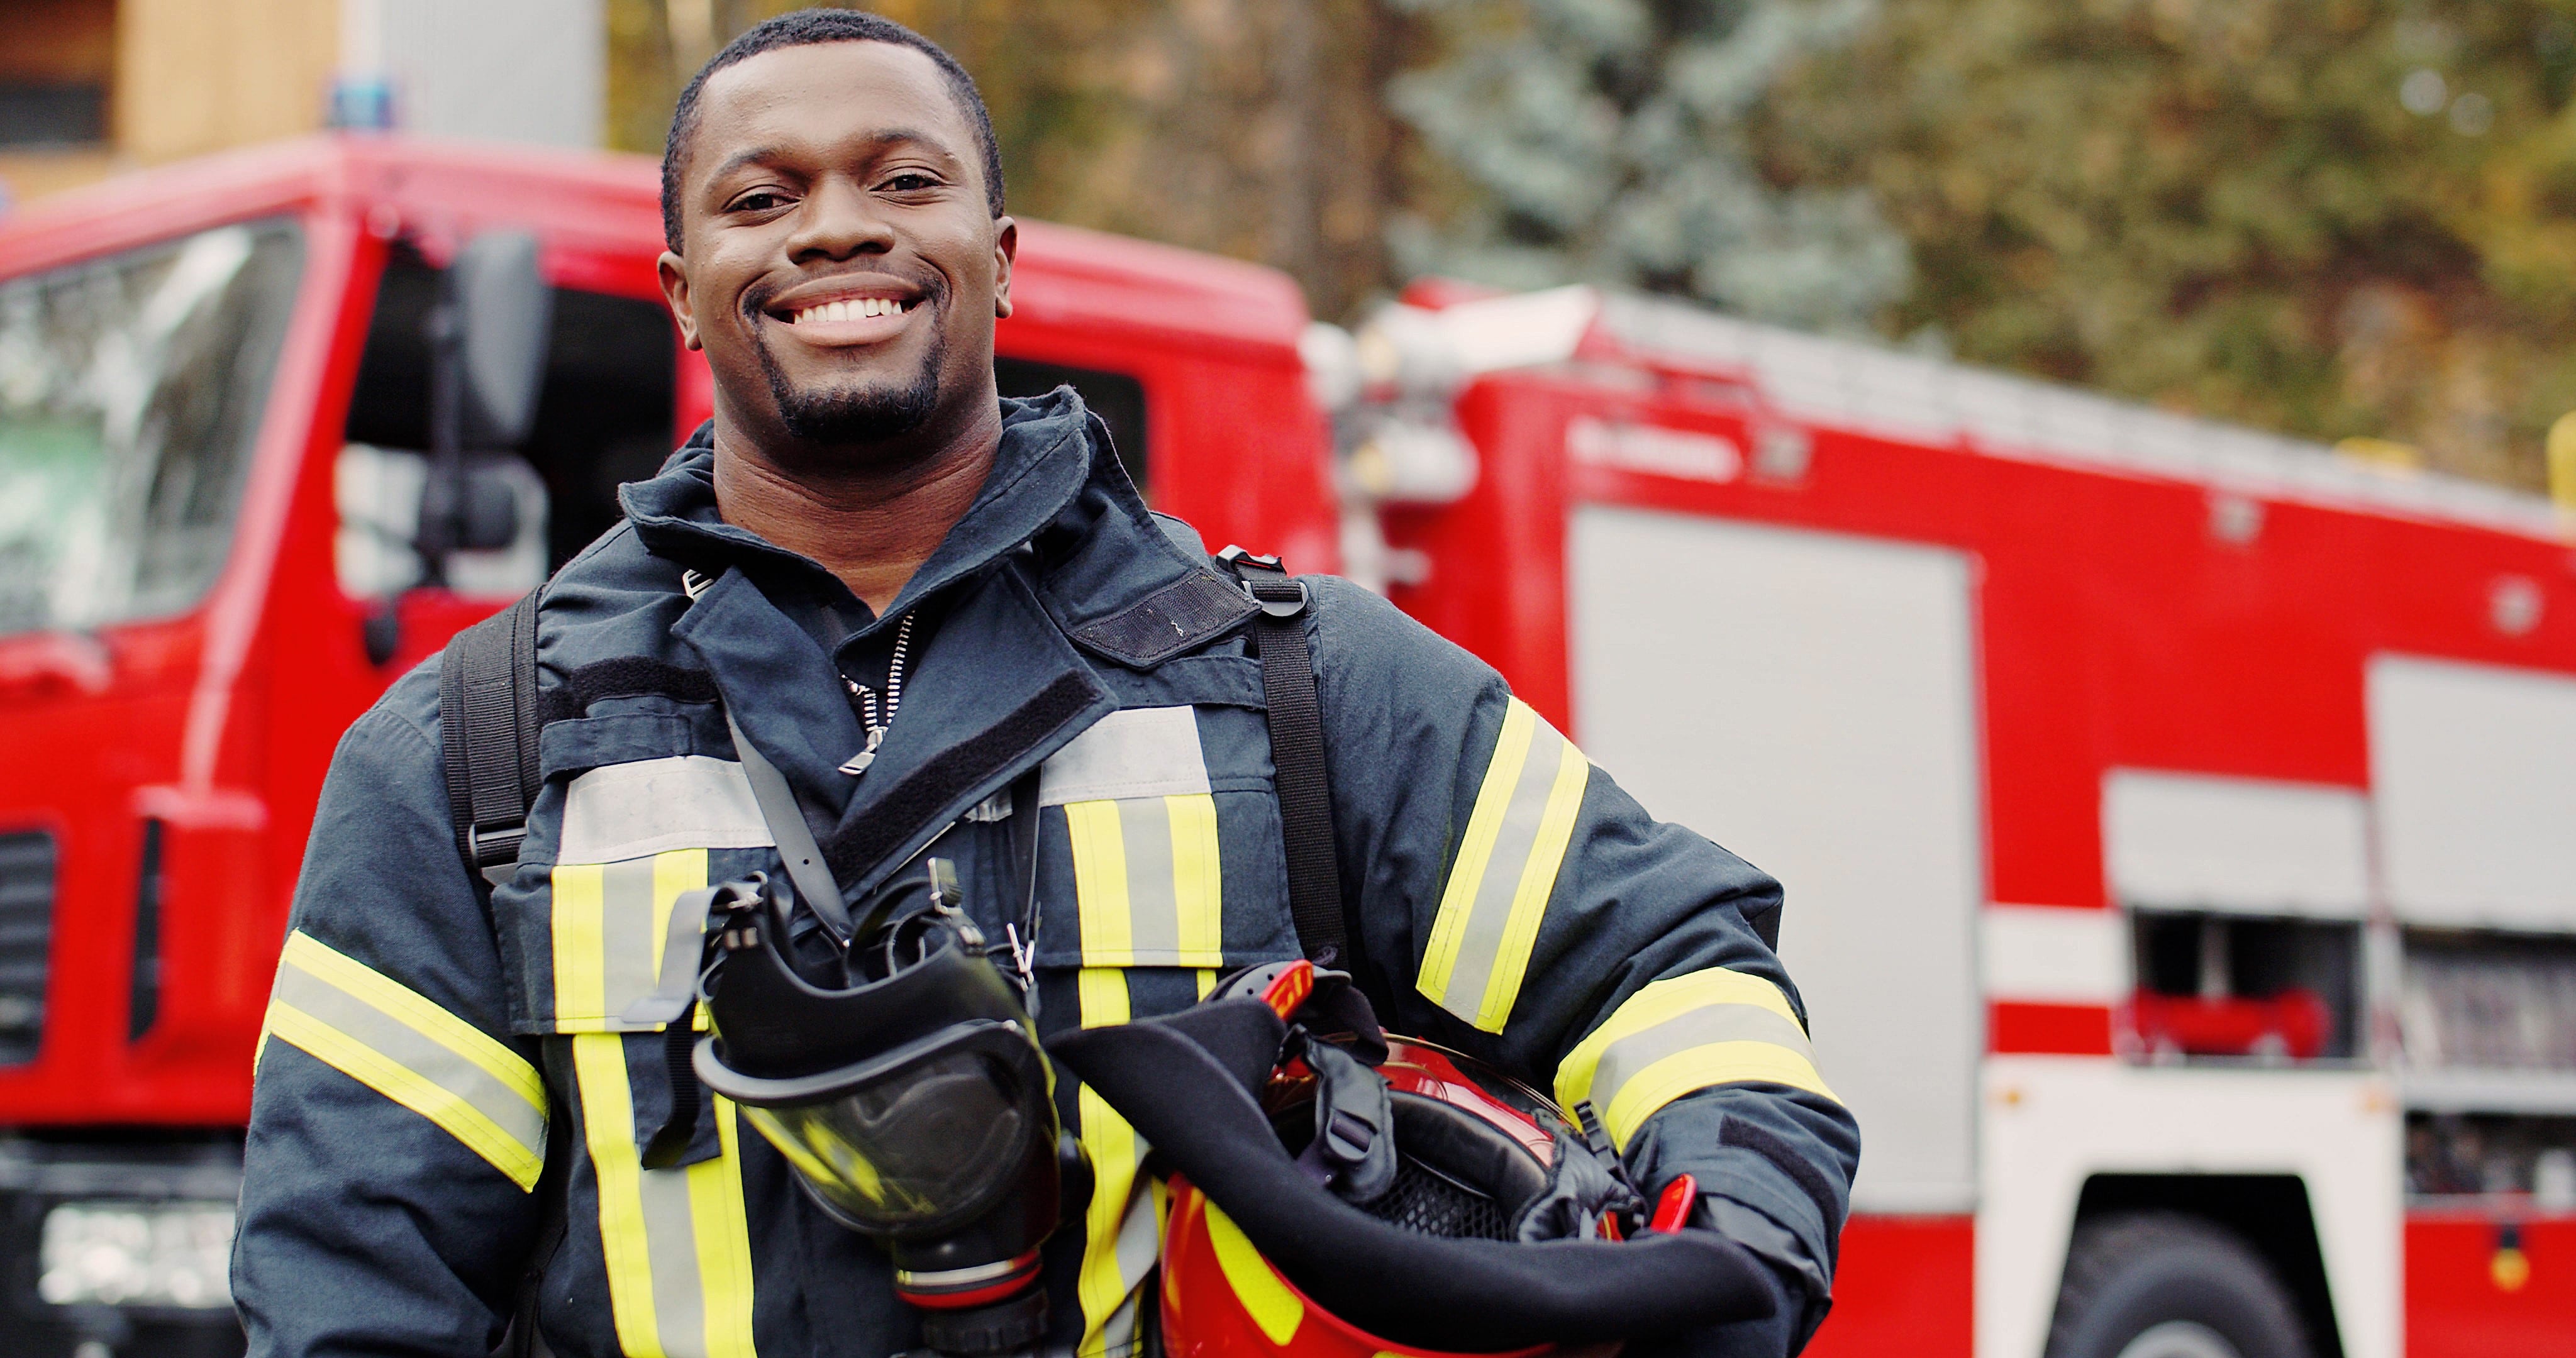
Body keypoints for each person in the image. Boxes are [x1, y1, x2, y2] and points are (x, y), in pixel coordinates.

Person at [230, 10, 1860, 1358]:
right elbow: (349, 1280)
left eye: (901, 178)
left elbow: (1661, 959)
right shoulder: (474, 757)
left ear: (999, 258)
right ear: (680, 287)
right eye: (760, 196)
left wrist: (1742, 1213)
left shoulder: (1300, 690)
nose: (836, 226)